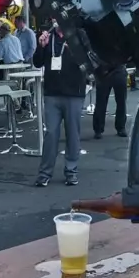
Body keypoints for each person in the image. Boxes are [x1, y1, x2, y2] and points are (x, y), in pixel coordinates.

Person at [33, 22, 87, 187]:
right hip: (52, 93)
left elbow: (89, 59)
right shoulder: (48, 36)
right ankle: (45, 173)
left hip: (74, 93)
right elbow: (37, 62)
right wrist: (41, 47)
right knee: (51, 133)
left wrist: (76, 51)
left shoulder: (79, 34)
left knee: (72, 134)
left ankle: (71, 171)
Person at [92, 65, 128, 139]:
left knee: (121, 101)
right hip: (105, 69)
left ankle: (120, 127)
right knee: (101, 102)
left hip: (117, 69)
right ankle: (98, 129)